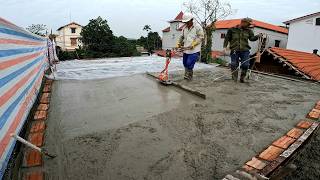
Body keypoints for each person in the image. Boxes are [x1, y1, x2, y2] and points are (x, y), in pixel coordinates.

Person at [223, 18, 262, 83]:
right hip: (234, 50)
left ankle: (242, 78)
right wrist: (224, 47)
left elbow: (252, 39)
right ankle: (234, 78)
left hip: (245, 50)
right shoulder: (232, 30)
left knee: (246, 64)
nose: (249, 25)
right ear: (243, 22)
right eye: (248, 24)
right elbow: (227, 38)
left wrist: (258, 36)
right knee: (234, 64)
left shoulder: (249, 31)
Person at [176, 13, 204, 80]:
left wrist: (194, 44)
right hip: (186, 48)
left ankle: (189, 75)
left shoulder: (197, 27)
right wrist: (178, 43)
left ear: (191, 20)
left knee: (189, 63)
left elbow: (201, 37)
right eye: (185, 22)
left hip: (194, 49)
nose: (186, 23)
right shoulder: (184, 28)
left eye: (187, 22)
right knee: (185, 63)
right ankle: (186, 73)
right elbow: (181, 36)